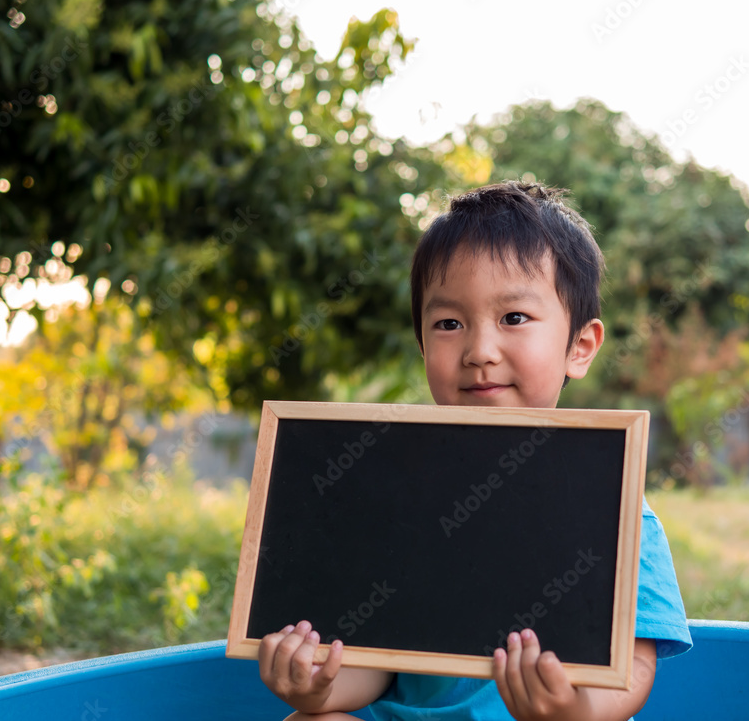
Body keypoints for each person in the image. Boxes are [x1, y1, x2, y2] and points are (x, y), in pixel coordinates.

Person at [258, 181, 692, 721]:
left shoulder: (615, 510)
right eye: (448, 324)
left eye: (514, 318)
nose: (478, 352)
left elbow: (633, 667)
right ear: (422, 345)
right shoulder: (396, 496)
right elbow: (375, 660)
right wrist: (317, 685)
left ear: (579, 347)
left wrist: (570, 710)